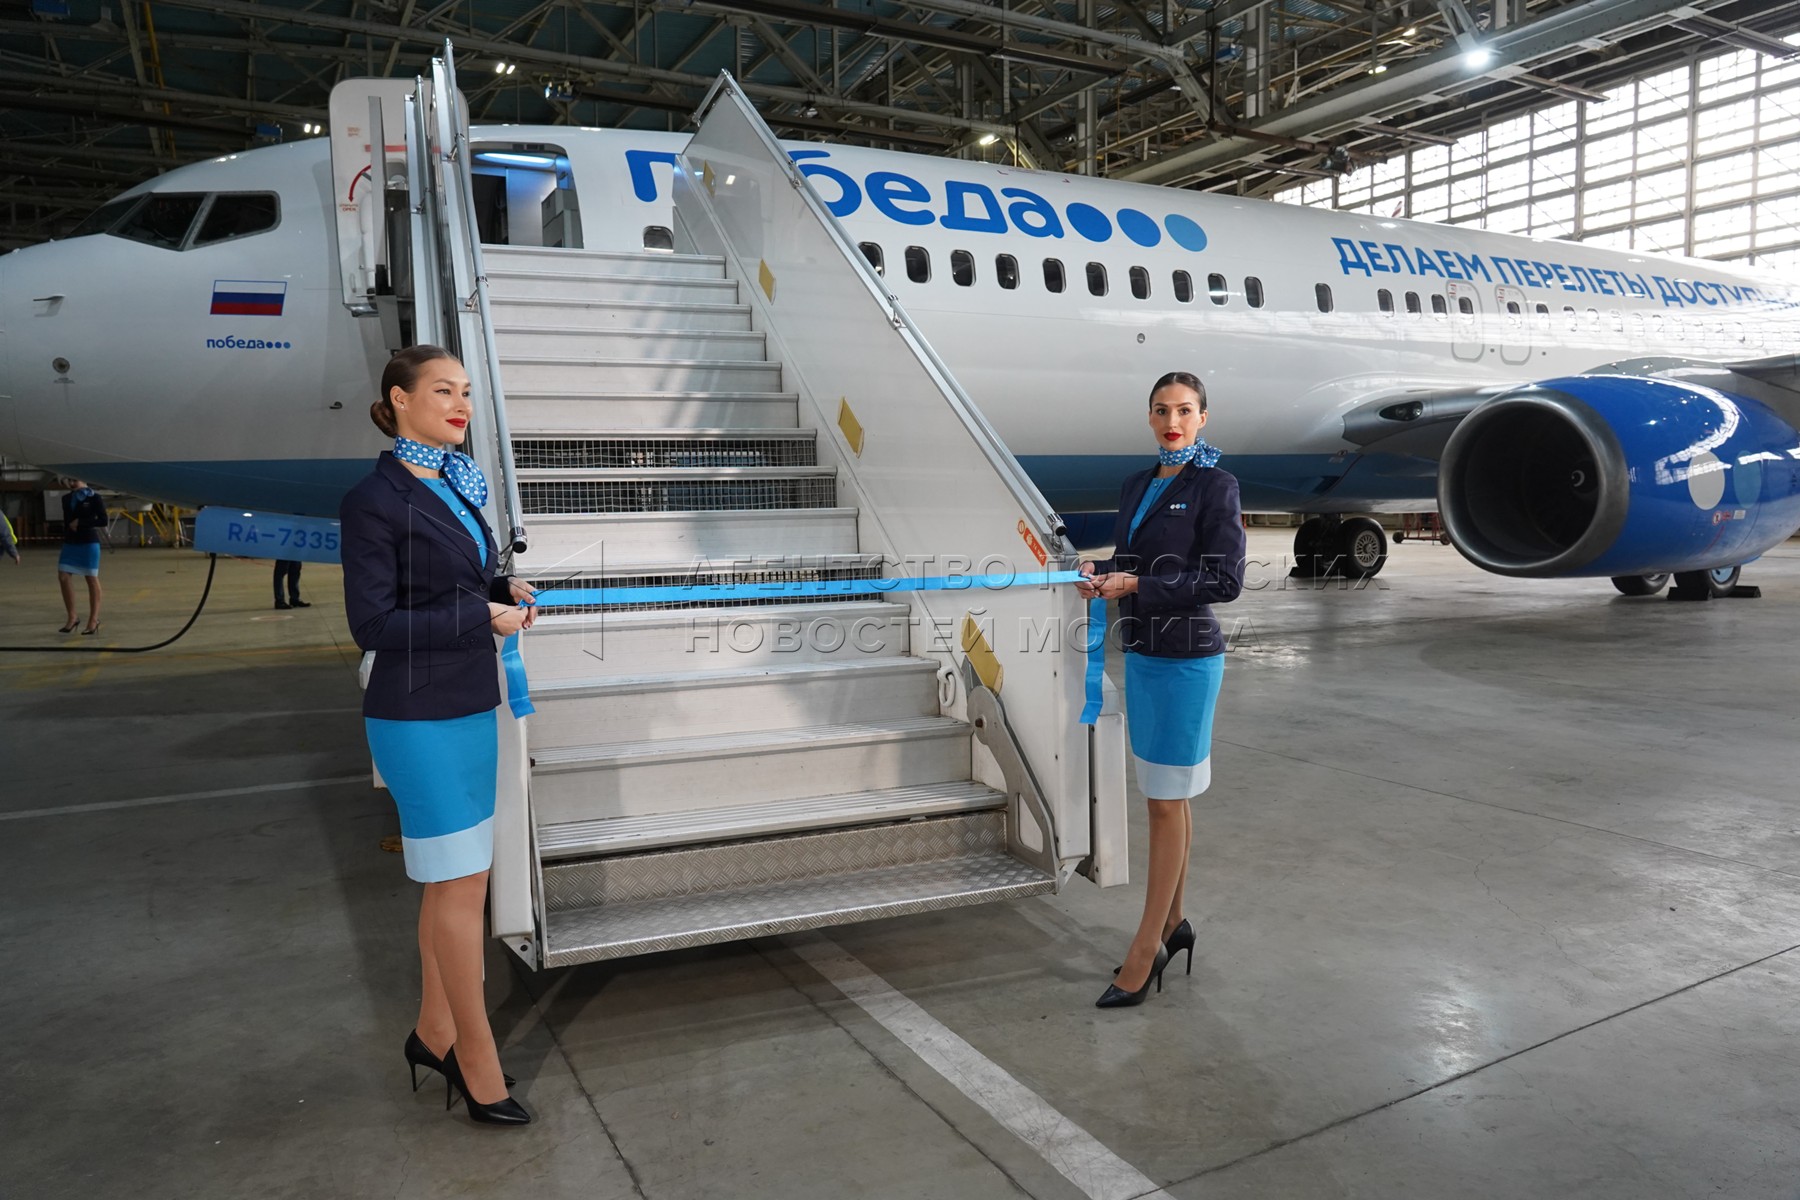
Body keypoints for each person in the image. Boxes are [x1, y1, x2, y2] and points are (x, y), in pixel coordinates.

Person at [338, 345, 538, 1126]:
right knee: (460, 890)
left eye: (466, 391)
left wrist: (499, 586)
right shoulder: (374, 499)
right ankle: (474, 1062)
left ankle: (432, 1032)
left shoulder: (456, 482)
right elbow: (374, 624)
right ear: (400, 399)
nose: (461, 405)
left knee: (454, 882)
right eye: (443, 391)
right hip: (416, 715)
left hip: (469, 703)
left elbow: (452, 581)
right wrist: (478, 613)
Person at [1077, 371, 1245, 1009]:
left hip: (1187, 662)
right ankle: (1175, 925)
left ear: (1203, 417)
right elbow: (1137, 562)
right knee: (1165, 798)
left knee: (1165, 803)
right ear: (1149, 417)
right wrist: (1101, 572)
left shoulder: (1215, 485)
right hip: (1144, 654)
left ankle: (1145, 950)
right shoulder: (1137, 484)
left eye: (1183, 410)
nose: (1171, 421)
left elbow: (1224, 580)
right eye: (1160, 410)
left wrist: (1138, 587)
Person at [57, 479, 107, 634]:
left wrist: (81, 522)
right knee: (63, 576)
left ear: (84, 479)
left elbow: (103, 520)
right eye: (69, 480)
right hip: (70, 542)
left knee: (91, 578)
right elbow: (67, 521)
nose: (72, 483)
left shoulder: (94, 497)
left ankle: (93, 619)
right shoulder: (66, 498)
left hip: (88, 542)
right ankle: (72, 617)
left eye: (75, 480)